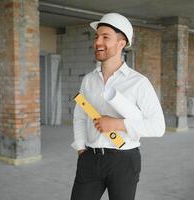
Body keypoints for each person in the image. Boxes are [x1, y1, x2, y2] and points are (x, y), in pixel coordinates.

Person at [70, 13, 165, 200]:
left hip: (124, 160)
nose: (98, 42)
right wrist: (81, 149)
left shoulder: (139, 82)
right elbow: (80, 115)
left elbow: (158, 126)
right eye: (97, 37)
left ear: (121, 44)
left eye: (105, 37)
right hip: (90, 157)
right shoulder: (89, 80)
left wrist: (118, 124)